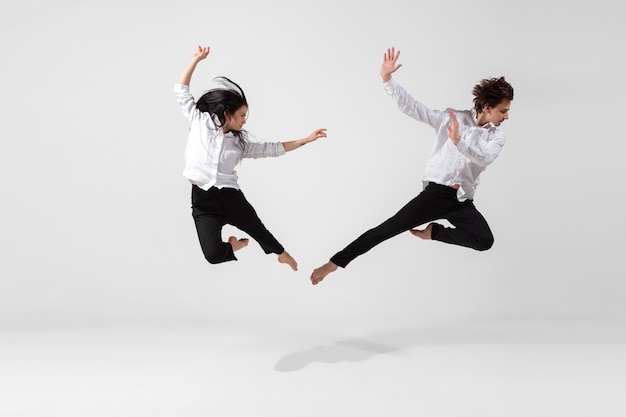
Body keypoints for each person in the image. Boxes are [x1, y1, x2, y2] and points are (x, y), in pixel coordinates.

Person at [310, 47, 513, 285]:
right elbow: (414, 108)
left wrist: (458, 143)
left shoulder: (496, 136)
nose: (506, 116)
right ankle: (333, 263)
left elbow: (484, 159)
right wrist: (388, 79)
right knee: (384, 230)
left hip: (461, 201)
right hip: (434, 195)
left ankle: (433, 233)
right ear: (487, 107)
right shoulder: (451, 118)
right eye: (503, 110)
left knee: (484, 240)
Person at [175, 45, 327, 271]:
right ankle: (234, 246)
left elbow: (272, 149)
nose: (245, 120)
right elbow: (181, 90)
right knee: (213, 255)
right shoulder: (200, 122)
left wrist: (305, 140)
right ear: (228, 113)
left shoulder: (239, 144)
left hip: (230, 198)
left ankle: (282, 254)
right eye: (242, 115)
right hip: (202, 199)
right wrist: (195, 60)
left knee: (258, 230)